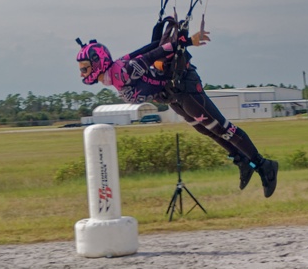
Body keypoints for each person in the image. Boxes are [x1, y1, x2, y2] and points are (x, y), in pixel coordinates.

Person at [76, 16, 279, 198]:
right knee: (204, 129)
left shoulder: (123, 71)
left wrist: (190, 41)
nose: (82, 74)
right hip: (172, 96)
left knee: (221, 127)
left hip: (185, 88)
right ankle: (242, 160)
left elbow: (156, 52)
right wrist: (159, 30)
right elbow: (150, 47)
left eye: (84, 68)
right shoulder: (116, 73)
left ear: (97, 63)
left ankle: (263, 165)